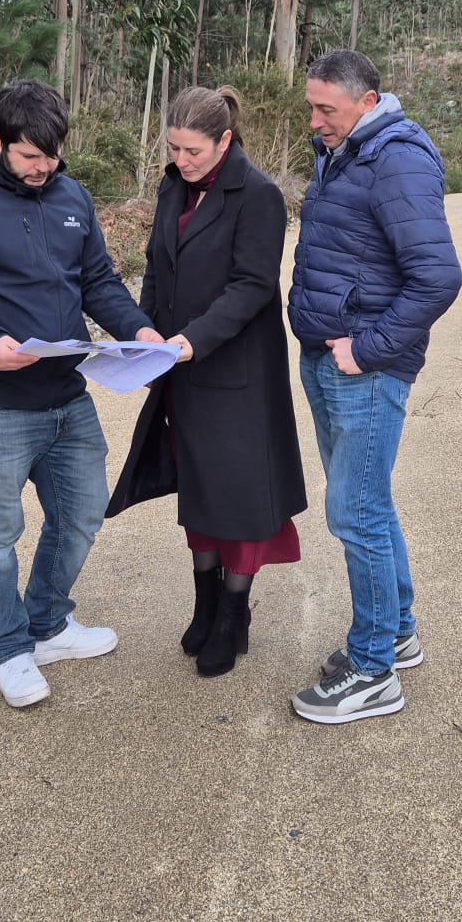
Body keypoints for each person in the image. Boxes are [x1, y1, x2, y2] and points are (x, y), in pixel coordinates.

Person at [0, 79, 166, 708]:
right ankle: (7, 648)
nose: (43, 169)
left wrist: (138, 330)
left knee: (82, 512)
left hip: (66, 392)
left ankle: (47, 623)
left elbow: (97, 280)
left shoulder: (71, 195)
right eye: (29, 157)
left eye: (51, 157)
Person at [286, 49, 462, 724]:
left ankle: (372, 671)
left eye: (325, 107)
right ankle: (397, 629)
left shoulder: (397, 158)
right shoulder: (345, 149)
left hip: (363, 366)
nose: (314, 119)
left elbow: (438, 278)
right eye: (312, 105)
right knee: (371, 504)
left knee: (355, 513)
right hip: (328, 356)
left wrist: (367, 350)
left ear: (367, 100)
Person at [107, 86, 307, 677]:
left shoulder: (261, 196)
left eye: (192, 150)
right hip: (177, 366)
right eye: (173, 148)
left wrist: (193, 340)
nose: (181, 160)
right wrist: (143, 330)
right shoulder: (174, 185)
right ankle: (205, 598)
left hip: (235, 371)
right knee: (196, 483)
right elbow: (156, 265)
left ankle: (234, 613)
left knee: (238, 495)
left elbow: (251, 286)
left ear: (225, 141)